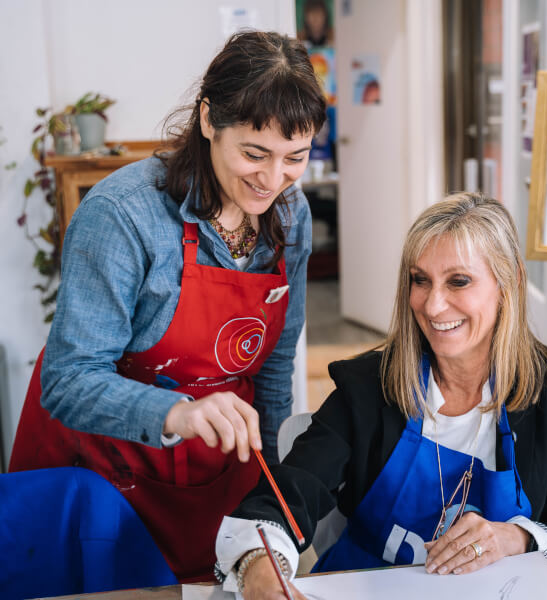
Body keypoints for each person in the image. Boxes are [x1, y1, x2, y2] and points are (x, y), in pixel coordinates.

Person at [9, 31, 327, 582]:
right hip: (104, 473)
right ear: (208, 120)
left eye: (294, 158)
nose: (273, 180)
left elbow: (273, 366)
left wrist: (275, 493)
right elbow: (67, 379)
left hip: (214, 469)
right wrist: (176, 413)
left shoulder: (290, 215)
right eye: (254, 153)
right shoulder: (123, 216)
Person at [215, 193, 547, 598]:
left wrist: (514, 538)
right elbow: (283, 498)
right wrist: (260, 571)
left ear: (510, 284)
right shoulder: (367, 387)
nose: (433, 306)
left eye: (459, 281)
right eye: (420, 280)